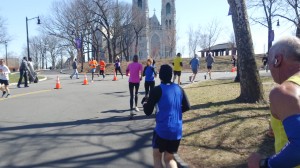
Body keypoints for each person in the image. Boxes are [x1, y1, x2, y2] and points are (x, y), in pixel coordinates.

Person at [248, 36, 300, 168]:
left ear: (277, 60)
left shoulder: (284, 91)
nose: (269, 68)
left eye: (269, 61)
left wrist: (263, 164)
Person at [143, 64, 190, 168]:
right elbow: (187, 106)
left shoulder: (156, 90)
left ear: (160, 76)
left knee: (157, 157)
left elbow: (148, 111)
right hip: (176, 131)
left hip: (162, 130)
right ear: (171, 74)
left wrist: (144, 103)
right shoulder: (179, 88)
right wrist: (175, 111)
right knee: (169, 159)